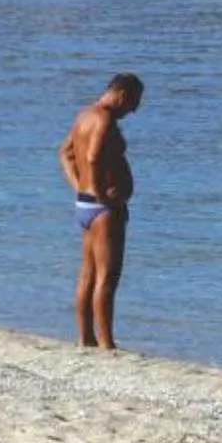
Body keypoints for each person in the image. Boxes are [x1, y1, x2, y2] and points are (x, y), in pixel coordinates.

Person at [57, 72, 142, 350]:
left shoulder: (85, 115)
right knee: (107, 277)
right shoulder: (104, 119)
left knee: (88, 274)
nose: (134, 110)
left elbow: (65, 152)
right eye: (134, 102)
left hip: (86, 204)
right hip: (103, 210)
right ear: (122, 94)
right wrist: (102, 195)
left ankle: (86, 338)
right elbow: (93, 156)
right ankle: (106, 342)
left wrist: (79, 187)